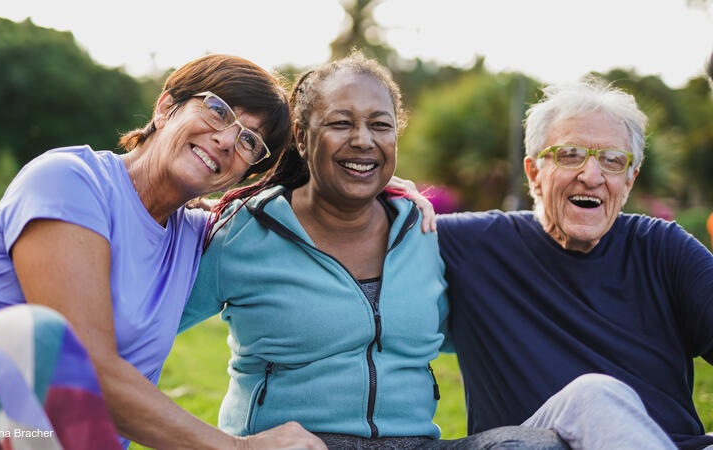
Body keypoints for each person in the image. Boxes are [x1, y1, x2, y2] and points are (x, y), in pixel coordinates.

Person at [0, 54, 325, 449]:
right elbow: (87, 368)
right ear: (166, 108)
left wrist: (381, 186)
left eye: (249, 141)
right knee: (42, 337)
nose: (225, 139)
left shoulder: (204, 238)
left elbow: (325, 198)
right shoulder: (70, 179)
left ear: (243, 173)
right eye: (218, 110)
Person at [177, 52, 565, 449]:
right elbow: (140, 334)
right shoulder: (243, 232)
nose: (363, 140)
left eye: (380, 125)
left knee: (535, 445)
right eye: (341, 123)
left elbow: (474, 330)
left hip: (415, 443)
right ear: (301, 136)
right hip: (298, 445)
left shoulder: (423, 231)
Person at [436, 79, 713, 449]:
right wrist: (403, 198)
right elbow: (352, 212)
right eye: (569, 155)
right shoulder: (469, 244)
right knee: (592, 397)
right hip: (539, 443)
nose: (592, 176)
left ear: (629, 182)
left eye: (613, 161)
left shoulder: (665, 249)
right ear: (534, 173)